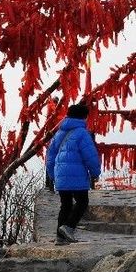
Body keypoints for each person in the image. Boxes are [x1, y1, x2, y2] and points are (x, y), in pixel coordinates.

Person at [46, 104, 101, 245]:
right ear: (84, 117)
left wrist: (53, 175)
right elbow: (90, 156)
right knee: (82, 202)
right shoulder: (82, 133)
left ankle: (60, 238)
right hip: (76, 174)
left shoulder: (59, 133)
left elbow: (50, 156)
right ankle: (69, 227)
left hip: (60, 174)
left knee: (66, 205)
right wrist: (95, 172)